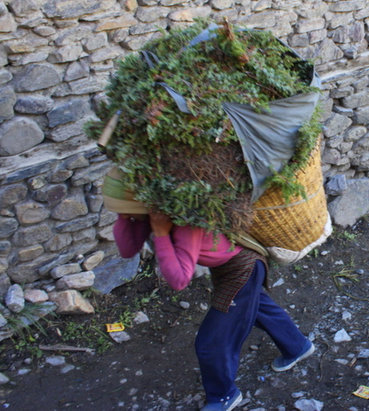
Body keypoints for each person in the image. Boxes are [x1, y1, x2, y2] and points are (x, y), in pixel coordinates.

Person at [103, 168, 314, 411]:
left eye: (122, 207)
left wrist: (160, 234)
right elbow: (128, 250)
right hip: (230, 269)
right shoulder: (146, 217)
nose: (121, 213)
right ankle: (298, 346)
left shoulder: (185, 223)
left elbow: (179, 280)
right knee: (256, 309)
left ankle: (224, 396)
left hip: (243, 269)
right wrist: (123, 217)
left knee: (211, 341)